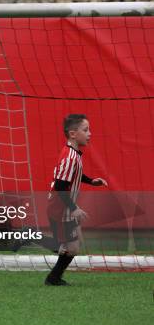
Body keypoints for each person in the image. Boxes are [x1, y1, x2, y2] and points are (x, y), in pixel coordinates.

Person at [45, 114, 107, 286]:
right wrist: (73, 208)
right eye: (85, 130)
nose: (90, 134)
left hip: (63, 206)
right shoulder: (70, 157)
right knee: (69, 247)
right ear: (73, 134)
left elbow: (74, 176)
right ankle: (28, 236)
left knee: (72, 245)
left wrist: (91, 181)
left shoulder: (74, 154)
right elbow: (60, 185)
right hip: (60, 208)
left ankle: (53, 278)